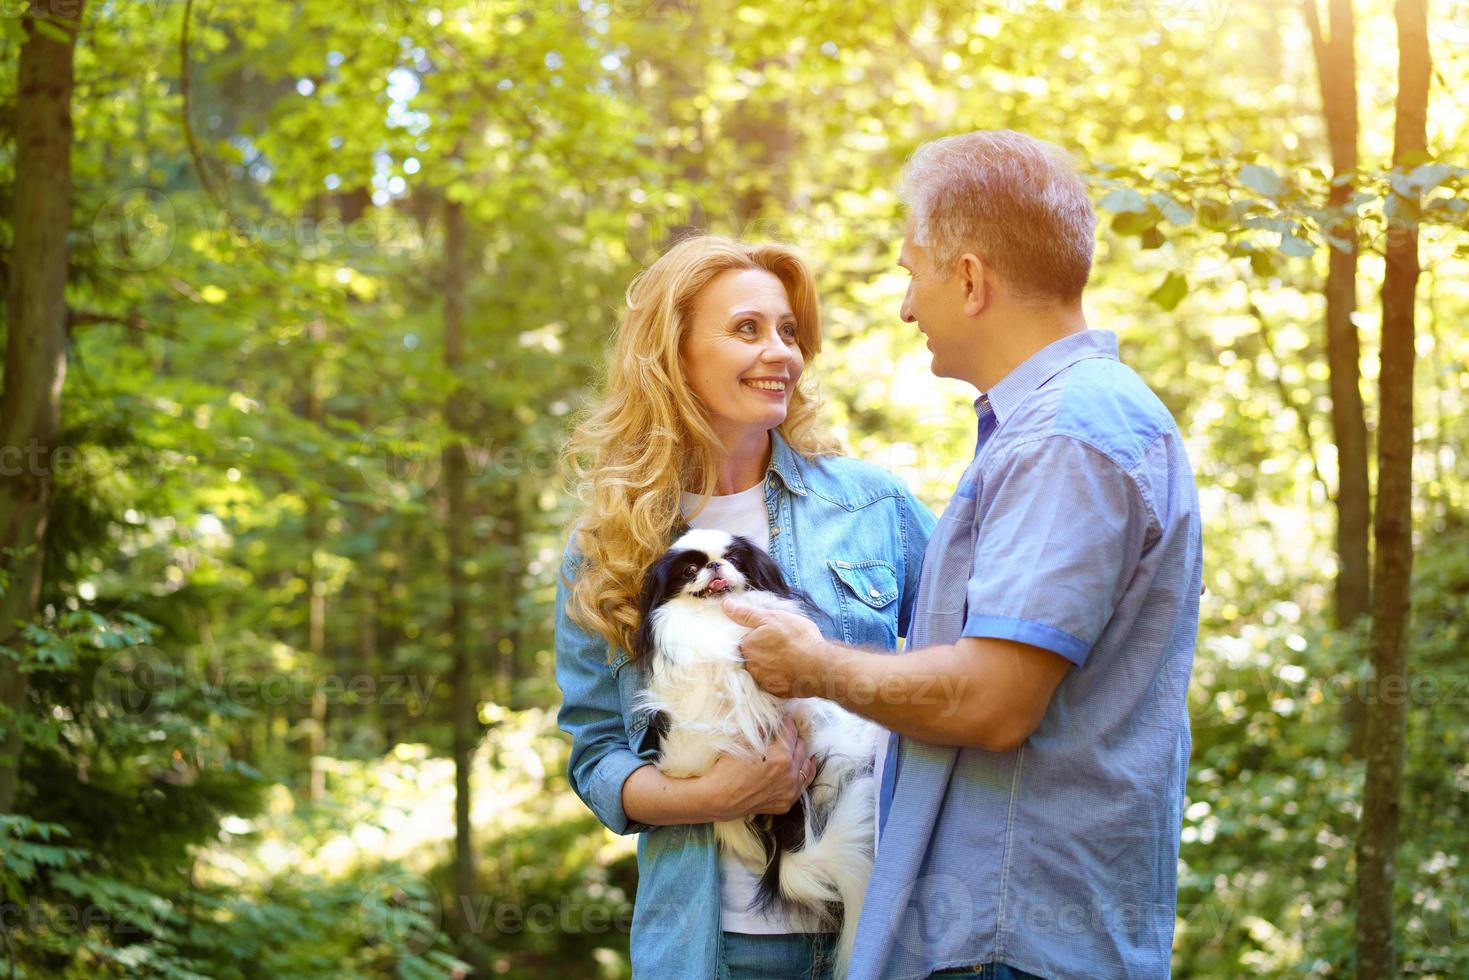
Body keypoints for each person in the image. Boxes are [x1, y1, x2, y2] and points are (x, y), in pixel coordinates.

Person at [725, 130, 1204, 979]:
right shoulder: (1077, 423)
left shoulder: (1065, 437)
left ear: (971, 280)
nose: (907, 307)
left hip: (1010, 939)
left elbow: (992, 704)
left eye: (913, 274)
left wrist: (813, 666)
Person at [554, 234, 936, 978]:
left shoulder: (871, 507)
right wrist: (713, 795)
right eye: (746, 330)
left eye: (788, 331)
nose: (781, 353)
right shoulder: (610, 545)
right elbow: (597, 756)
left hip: (880, 933)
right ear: (673, 355)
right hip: (711, 946)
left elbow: (970, 661)